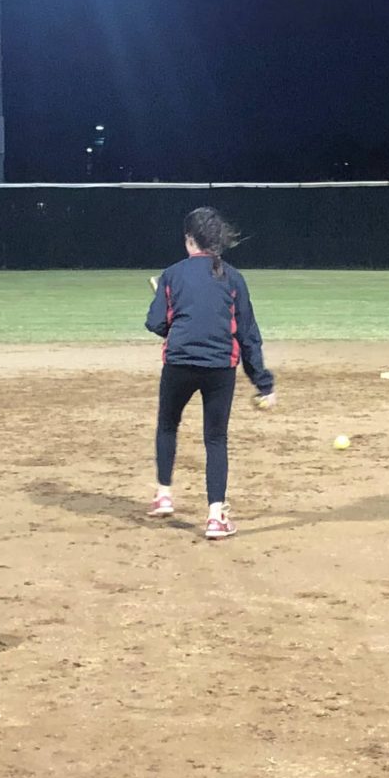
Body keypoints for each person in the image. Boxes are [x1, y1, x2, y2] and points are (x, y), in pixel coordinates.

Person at [144, 207, 275, 540]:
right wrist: (263, 383)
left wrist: (177, 319)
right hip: (220, 368)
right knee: (215, 439)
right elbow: (247, 335)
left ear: (190, 240)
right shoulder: (232, 277)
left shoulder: (172, 274)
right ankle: (215, 517)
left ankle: (163, 495)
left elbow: (156, 323)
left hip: (179, 363)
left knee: (167, 425)